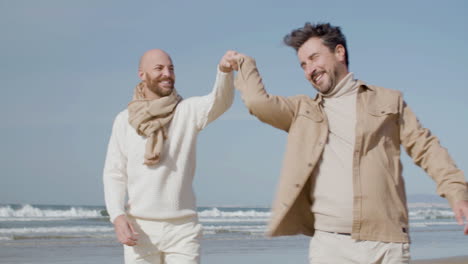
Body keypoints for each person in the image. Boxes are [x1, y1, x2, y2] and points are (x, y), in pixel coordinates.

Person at [225, 23, 468, 263]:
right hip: (330, 247)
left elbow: (426, 148)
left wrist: (457, 193)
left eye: (314, 58)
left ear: (339, 52)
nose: (309, 69)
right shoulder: (301, 110)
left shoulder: (388, 101)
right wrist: (245, 63)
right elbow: (258, 104)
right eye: (303, 64)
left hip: (386, 244)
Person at [103, 49, 237, 264]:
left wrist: (224, 71)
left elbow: (220, 101)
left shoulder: (186, 111)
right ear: (142, 75)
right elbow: (114, 174)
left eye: (171, 68)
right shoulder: (124, 120)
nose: (167, 73)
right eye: (159, 68)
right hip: (140, 230)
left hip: (183, 230)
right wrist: (117, 216)